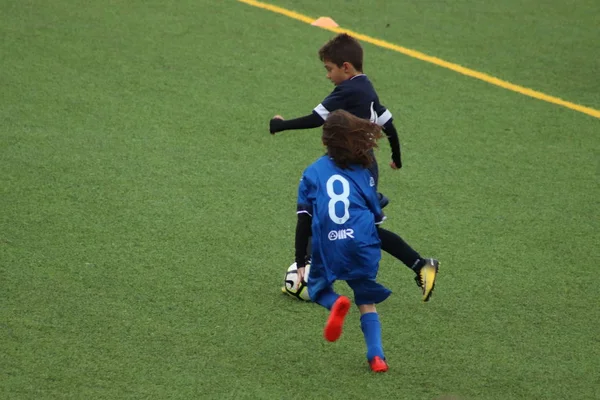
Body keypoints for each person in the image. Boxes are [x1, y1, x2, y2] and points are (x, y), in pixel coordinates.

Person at [271, 33, 438, 301]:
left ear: (346, 67)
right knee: (358, 228)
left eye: (330, 69)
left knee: (325, 216)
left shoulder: (347, 90)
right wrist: (397, 157)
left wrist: (280, 125)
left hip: (353, 170)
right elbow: (389, 123)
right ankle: (420, 265)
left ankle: (311, 272)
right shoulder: (367, 87)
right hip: (364, 167)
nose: (328, 76)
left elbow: (316, 119)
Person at [295, 109, 391, 372]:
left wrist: (300, 259)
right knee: (365, 299)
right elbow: (376, 214)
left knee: (318, 289)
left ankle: (335, 303)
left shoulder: (312, 172)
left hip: (329, 243)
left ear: (325, 141)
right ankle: (377, 356)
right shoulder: (362, 170)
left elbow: (304, 221)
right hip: (361, 241)